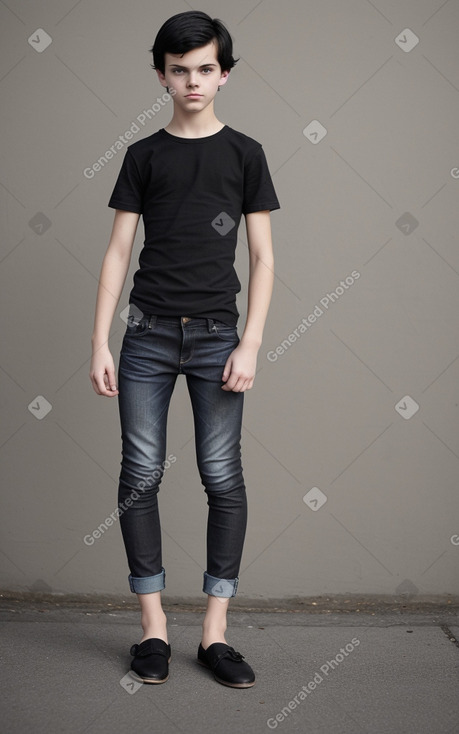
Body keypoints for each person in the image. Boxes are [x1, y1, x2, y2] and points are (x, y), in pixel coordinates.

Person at [89, 10, 280, 688]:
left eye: (204, 69)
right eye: (179, 70)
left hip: (217, 339)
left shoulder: (244, 153)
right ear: (161, 75)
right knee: (140, 475)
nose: (192, 81)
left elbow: (262, 258)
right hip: (144, 338)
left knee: (220, 477)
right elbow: (118, 253)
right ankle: (153, 630)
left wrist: (251, 342)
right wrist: (101, 341)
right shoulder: (143, 156)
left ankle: (215, 635)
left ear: (222, 75)